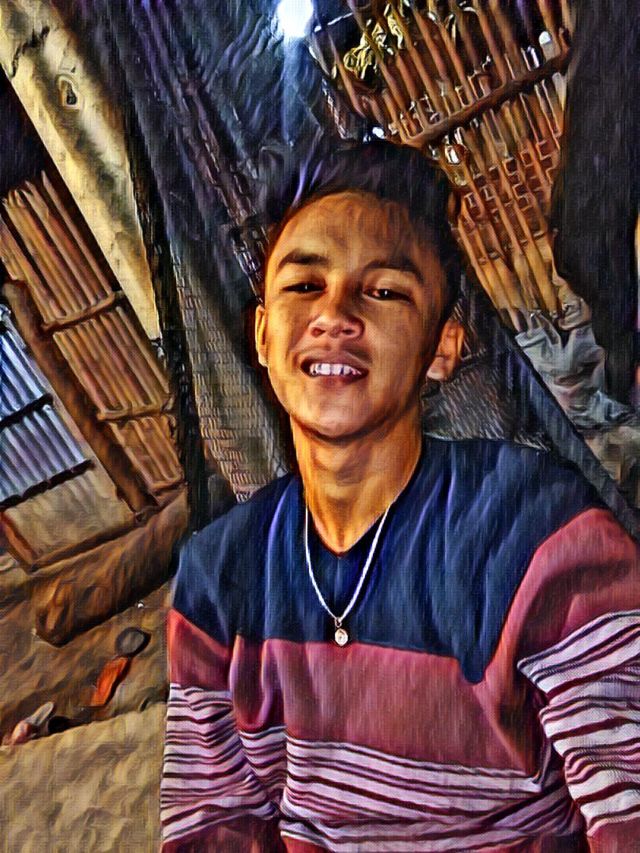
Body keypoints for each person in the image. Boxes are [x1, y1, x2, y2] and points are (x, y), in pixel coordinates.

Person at [160, 142, 640, 852]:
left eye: (384, 292)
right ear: (262, 336)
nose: (334, 315)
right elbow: (212, 818)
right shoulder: (216, 577)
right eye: (303, 285)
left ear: (442, 347)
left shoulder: (540, 534)